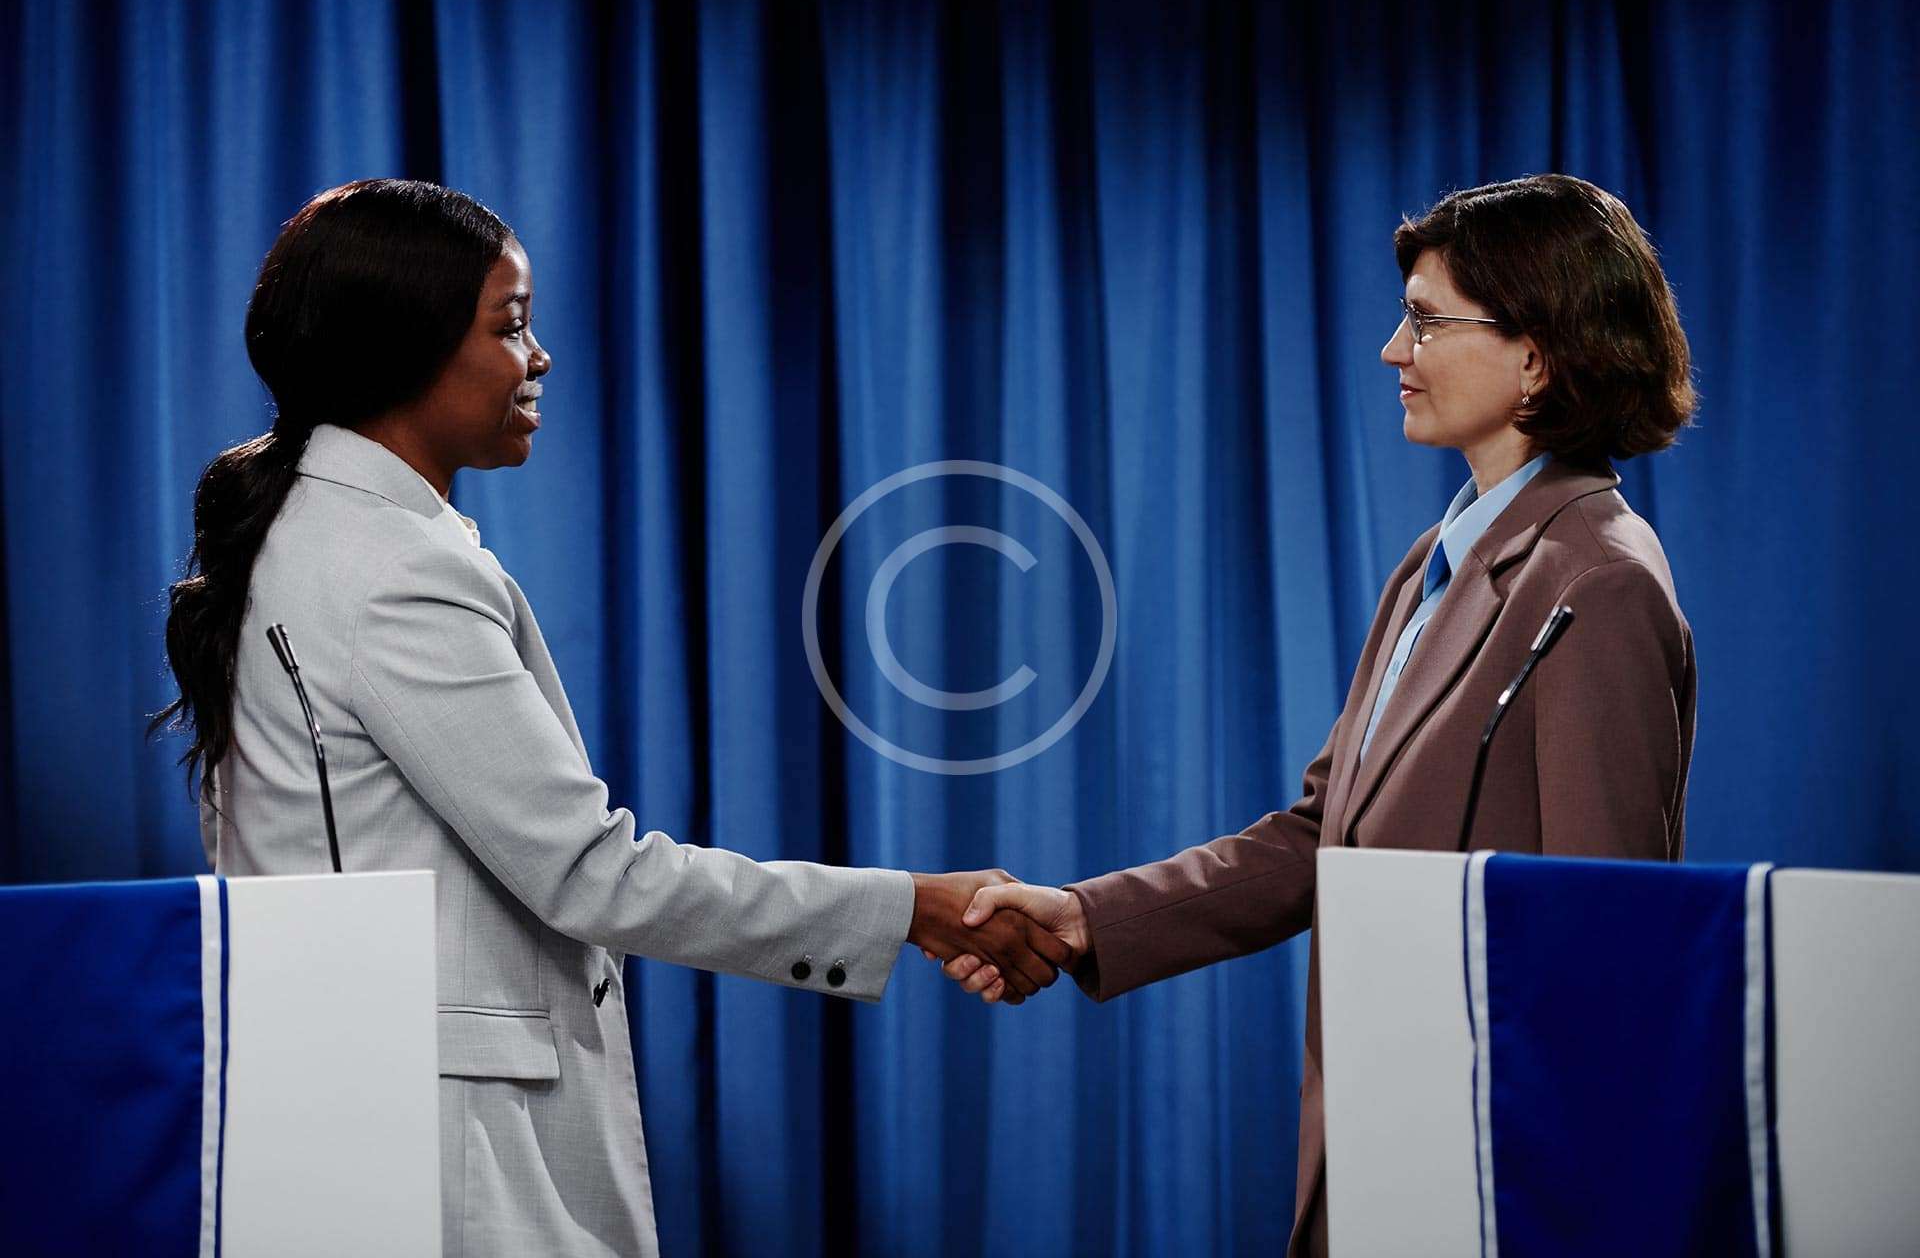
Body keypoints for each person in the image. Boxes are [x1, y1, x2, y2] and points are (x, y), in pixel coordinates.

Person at [149, 178, 1068, 1257]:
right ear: (407, 345)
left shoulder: (303, 531)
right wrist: (906, 907)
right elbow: (592, 874)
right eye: (510, 326)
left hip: (336, 1117)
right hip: (438, 1154)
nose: (538, 359)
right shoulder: (395, 568)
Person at [940, 173, 1699, 1257]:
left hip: (1489, 1179)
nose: (1393, 350)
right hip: (1377, 1148)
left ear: (1536, 356)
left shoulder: (1600, 580)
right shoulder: (1437, 563)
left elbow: (1609, 945)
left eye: (1427, 320)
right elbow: (1319, 839)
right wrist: (1081, 916)